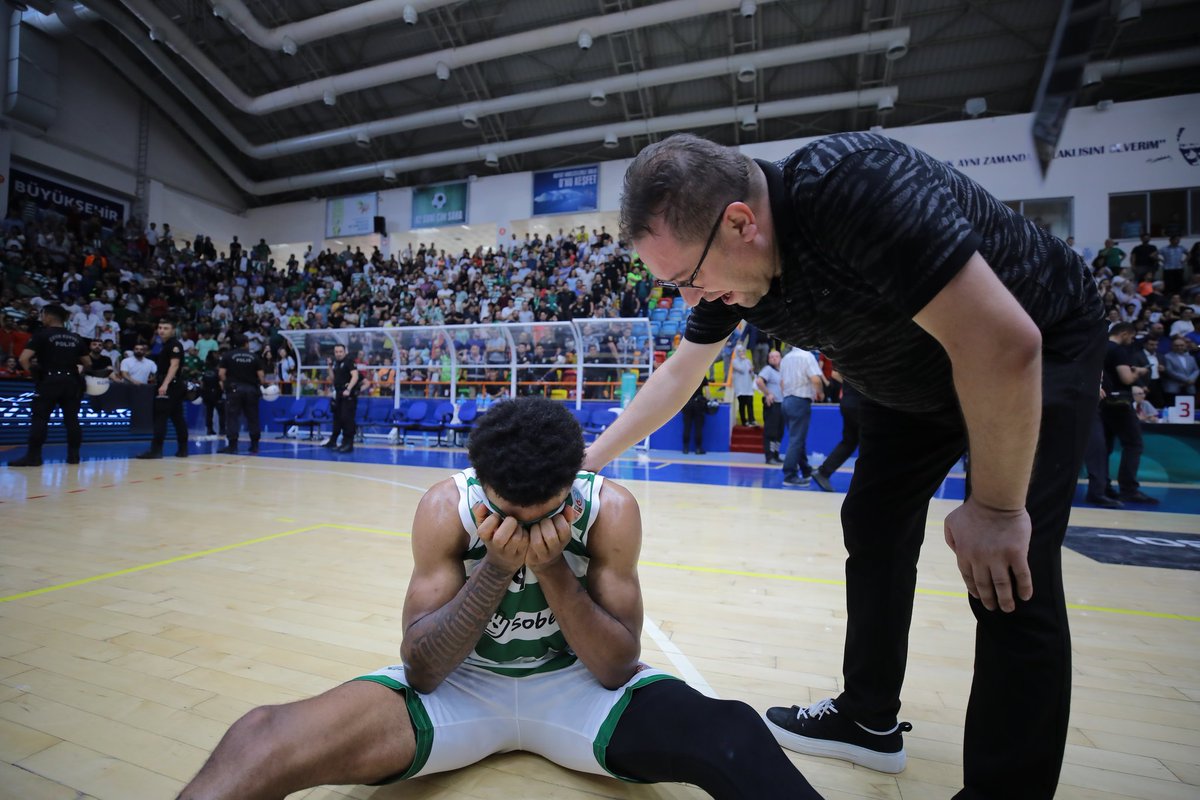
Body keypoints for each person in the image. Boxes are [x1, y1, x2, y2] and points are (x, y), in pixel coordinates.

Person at [583, 132, 1108, 798]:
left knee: (1009, 572)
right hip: (906, 377)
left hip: (1029, 349)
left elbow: (1004, 343)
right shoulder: (732, 265)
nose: (690, 299)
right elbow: (679, 376)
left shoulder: (854, 186)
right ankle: (868, 718)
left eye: (687, 279)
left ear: (741, 222)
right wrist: (588, 462)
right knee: (874, 524)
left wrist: (998, 509)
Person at [175, 397, 822, 800]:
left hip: (577, 690)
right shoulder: (444, 508)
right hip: (462, 691)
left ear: (574, 485)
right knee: (262, 737)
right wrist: (493, 573)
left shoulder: (610, 510)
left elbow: (617, 667)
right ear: (481, 485)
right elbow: (424, 670)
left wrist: (553, 572)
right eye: (506, 513)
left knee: (734, 732)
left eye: (543, 515)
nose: (523, 528)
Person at [6, 305, 90, 467]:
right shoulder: (76, 337)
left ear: (50, 317)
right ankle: (74, 457)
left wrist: (34, 375)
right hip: (71, 382)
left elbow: (24, 359)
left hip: (49, 380)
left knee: (40, 419)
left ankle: (33, 457)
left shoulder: (41, 335)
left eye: (43, 315)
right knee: (72, 420)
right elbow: (87, 362)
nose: (41, 318)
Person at [1096, 323, 1157, 504]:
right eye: (1131, 337)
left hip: (1103, 402)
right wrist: (1138, 371)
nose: (1131, 341)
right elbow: (1126, 378)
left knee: (1105, 448)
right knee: (1133, 444)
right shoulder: (1118, 351)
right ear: (1124, 333)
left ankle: (1103, 486)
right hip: (1120, 403)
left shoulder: (1099, 346)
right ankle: (1129, 489)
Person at [136, 317, 189, 459]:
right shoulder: (164, 345)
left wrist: (165, 383)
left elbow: (175, 365)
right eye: (160, 328)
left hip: (170, 385)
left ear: (173, 330)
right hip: (171, 384)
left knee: (160, 417)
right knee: (177, 417)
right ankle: (183, 450)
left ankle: (156, 450)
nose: (162, 331)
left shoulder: (174, 345)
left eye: (165, 328)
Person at [779, 345, 824, 487]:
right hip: (800, 400)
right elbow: (816, 379)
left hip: (786, 401)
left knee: (798, 438)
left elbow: (781, 382)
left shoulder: (785, 358)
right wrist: (821, 393)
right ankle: (789, 474)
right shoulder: (807, 356)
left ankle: (806, 470)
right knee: (796, 439)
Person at [218, 333, 266, 454]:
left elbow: (221, 374)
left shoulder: (228, 356)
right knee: (253, 417)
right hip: (251, 390)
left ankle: (232, 446)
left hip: (234, 390)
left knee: (232, 417)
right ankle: (254, 445)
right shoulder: (254, 356)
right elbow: (261, 377)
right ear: (246, 343)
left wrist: (227, 385)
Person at [812, 380, 861, 493]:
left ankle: (823, 472)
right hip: (859, 403)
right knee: (867, 443)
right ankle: (865, 481)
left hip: (847, 401)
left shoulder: (849, 362)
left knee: (849, 442)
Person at [323, 343, 359, 453]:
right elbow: (333, 378)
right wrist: (329, 366)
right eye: (336, 352)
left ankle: (348, 443)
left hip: (348, 395)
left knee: (346, 418)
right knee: (337, 418)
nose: (338, 354)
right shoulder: (337, 363)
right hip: (338, 394)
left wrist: (349, 389)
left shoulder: (349, 361)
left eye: (340, 352)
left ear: (345, 352)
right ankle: (335, 441)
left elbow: (355, 376)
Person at [754, 349, 783, 464]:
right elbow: (759, 381)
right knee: (771, 432)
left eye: (776, 356)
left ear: (780, 358)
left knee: (779, 432)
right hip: (773, 404)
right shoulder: (768, 369)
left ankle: (776, 454)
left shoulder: (781, 371)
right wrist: (768, 393)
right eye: (771, 357)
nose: (774, 358)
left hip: (782, 404)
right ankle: (769, 456)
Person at [1162, 335, 1199, 403]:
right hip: (1173, 388)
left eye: (1182, 345)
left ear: (1185, 346)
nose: (1179, 347)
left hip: (1189, 388)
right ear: (1172, 346)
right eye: (1176, 345)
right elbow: (1170, 371)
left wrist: (1191, 379)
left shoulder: (1191, 357)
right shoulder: (1167, 357)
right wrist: (1187, 380)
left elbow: (1196, 370)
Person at [680, 375, 710, 454]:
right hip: (698, 403)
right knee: (698, 427)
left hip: (687, 403)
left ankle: (685, 448)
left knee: (687, 426)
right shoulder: (702, 375)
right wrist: (707, 400)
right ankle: (698, 448)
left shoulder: (685, 376)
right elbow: (707, 393)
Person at [731, 344, 757, 425]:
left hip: (748, 386)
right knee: (742, 405)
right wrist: (744, 361)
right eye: (739, 351)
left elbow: (752, 374)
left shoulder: (748, 361)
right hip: (740, 387)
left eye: (743, 350)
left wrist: (751, 369)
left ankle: (752, 419)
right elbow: (741, 370)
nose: (741, 352)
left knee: (750, 403)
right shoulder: (734, 361)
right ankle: (744, 421)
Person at [200, 352, 224, 436]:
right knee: (221, 413)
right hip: (216, 394)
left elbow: (202, 384)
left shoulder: (205, 372)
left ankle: (209, 430)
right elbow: (221, 384)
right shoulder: (218, 373)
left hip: (207, 394)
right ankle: (222, 429)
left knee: (209, 413)